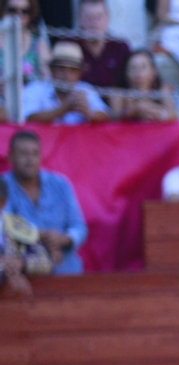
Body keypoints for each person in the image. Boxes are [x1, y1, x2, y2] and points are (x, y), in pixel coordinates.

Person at [2, 131, 89, 275]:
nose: (30, 160)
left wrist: (63, 239)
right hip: (22, 275)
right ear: (11, 156)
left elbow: (79, 228)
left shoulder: (60, 184)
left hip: (66, 271)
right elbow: (4, 229)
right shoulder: (2, 187)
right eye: (23, 154)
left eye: (35, 153)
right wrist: (42, 238)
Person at [21, 41, 111, 125]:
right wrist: (63, 109)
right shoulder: (36, 88)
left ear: (80, 74)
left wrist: (89, 113)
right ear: (52, 70)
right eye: (61, 69)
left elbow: (106, 115)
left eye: (73, 70)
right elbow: (27, 118)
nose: (66, 75)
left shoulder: (85, 89)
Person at [72, 0, 131, 90]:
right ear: (79, 18)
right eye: (89, 18)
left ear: (108, 17)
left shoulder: (121, 48)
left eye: (99, 17)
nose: (94, 24)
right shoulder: (69, 45)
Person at [114, 50, 179, 121]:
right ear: (126, 73)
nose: (138, 73)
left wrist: (149, 108)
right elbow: (115, 117)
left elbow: (174, 115)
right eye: (133, 68)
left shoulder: (162, 90)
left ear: (154, 72)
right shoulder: (118, 93)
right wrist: (134, 110)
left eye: (143, 67)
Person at [1, 178, 38, 296]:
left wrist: (22, 263)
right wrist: (4, 268)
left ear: (2, 202)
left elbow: (46, 260)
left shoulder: (17, 224)